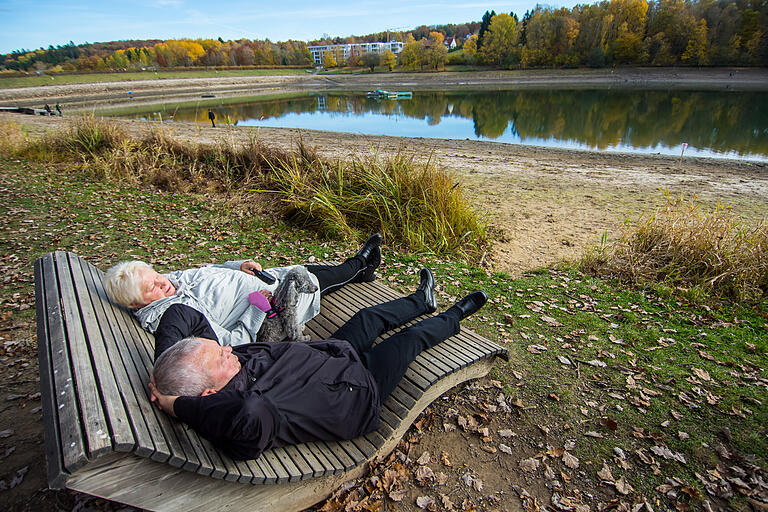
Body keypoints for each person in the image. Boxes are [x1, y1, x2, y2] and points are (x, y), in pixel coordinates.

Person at [149, 268, 488, 460]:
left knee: (368, 317)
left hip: (329, 355)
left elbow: (181, 314)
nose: (226, 349)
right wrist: (179, 405)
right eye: (219, 356)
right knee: (410, 341)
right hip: (356, 391)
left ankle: (421, 300)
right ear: (208, 394)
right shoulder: (253, 415)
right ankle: (455, 315)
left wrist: (165, 367)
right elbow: (247, 411)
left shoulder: (223, 363)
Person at [103, 234, 382, 359]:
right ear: (138, 303)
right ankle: (360, 264)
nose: (162, 283)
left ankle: (361, 270)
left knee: (306, 270)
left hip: (257, 280)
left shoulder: (169, 281)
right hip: (269, 306)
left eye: (156, 275)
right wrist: (257, 308)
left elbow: (206, 271)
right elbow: (230, 343)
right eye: (152, 287)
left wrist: (237, 267)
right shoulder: (173, 319)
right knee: (315, 280)